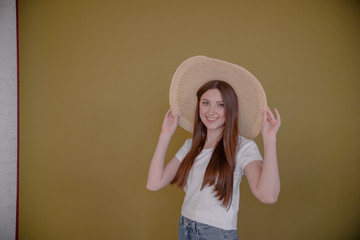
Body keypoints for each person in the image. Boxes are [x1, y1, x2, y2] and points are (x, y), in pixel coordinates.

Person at [147, 56, 281, 240]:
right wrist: (165, 135)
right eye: (206, 103)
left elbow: (268, 196)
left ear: (231, 110)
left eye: (221, 105)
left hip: (215, 234)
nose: (211, 112)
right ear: (199, 105)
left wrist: (269, 140)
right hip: (185, 227)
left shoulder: (242, 147)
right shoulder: (191, 146)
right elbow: (154, 183)